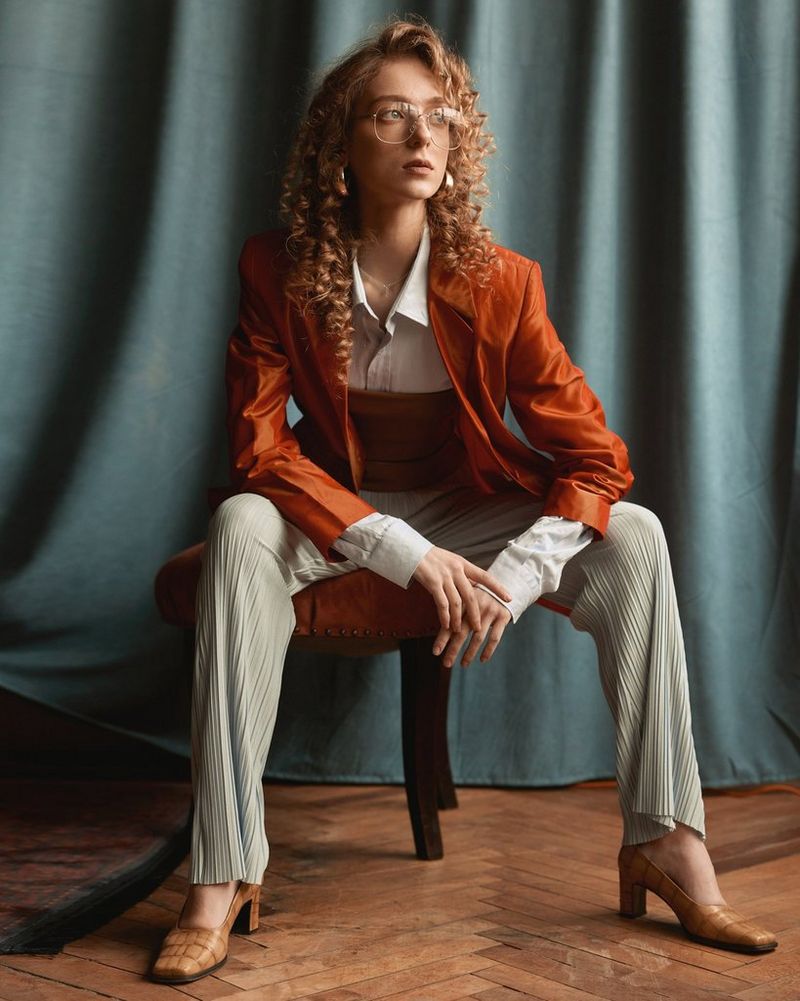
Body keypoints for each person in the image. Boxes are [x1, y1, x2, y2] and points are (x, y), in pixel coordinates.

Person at [149, 16, 777, 985]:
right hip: (335, 511)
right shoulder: (274, 268)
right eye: (391, 117)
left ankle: (664, 835)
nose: (421, 139)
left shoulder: (499, 281)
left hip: (465, 507)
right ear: (340, 146)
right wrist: (400, 548)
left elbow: (594, 455)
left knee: (636, 535)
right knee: (238, 518)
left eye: (439, 118)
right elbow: (260, 447)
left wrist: (514, 575)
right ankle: (222, 871)